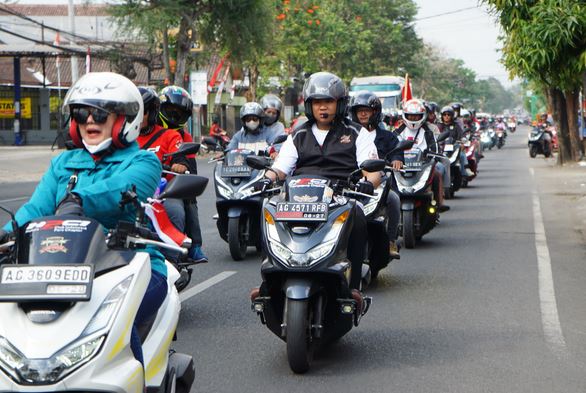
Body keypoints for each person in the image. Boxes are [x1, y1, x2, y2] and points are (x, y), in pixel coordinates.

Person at [0, 72, 163, 365]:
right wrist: (5, 234)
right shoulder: (62, 163)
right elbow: (36, 208)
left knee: (118, 328)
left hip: (129, 266)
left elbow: (122, 190)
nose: (90, 121)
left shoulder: (144, 161)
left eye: (99, 114)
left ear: (124, 119)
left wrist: (77, 200)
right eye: (81, 113)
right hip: (59, 268)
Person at [256, 72, 380, 311]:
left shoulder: (357, 133)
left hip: (342, 197)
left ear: (340, 104)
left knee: (359, 216)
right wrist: (267, 178)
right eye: (317, 103)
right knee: (266, 211)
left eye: (328, 102)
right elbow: (280, 168)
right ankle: (268, 282)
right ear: (309, 106)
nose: (322, 108)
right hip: (299, 199)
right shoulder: (298, 135)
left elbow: (373, 170)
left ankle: (352, 287)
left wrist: (368, 182)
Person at [349, 90, 403, 259]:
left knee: (394, 199)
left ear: (375, 112)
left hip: (380, 180)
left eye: (367, 110)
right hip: (353, 181)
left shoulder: (387, 136)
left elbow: (397, 151)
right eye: (359, 110)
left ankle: (391, 241)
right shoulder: (348, 135)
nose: (363, 114)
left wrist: (396, 160)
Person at [158, 85, 208, 263]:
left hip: (169, 187)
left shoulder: (181, 137)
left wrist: (179, 165)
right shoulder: (137, 133)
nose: (175, 116)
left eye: (179, 112)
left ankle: (192, 246)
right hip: (140, 185)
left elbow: (188, 164)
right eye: (171, 111)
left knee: (186, 200)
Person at [395, 99, 450, 212]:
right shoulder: (398, 131)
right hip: (401, 166)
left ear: (422, 116)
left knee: (437, 172)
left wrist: (430, 158)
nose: (413, 119)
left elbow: (434, 149)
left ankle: (439, 202)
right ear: (405, 116)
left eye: (416, 116)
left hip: (423, 165)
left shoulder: (428, 132)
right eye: (410, 116)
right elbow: (391, 147)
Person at [438, 106, 474, 178]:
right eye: (445, 115)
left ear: (452, 116)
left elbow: (462, 135)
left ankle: (465, 169)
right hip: (441, 148)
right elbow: (435, 136)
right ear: (442, 116)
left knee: (461, 154)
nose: (446, 116)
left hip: (454, 146)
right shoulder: (439, 126)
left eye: (449, 115)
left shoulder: (456, 126)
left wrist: (463, 142)